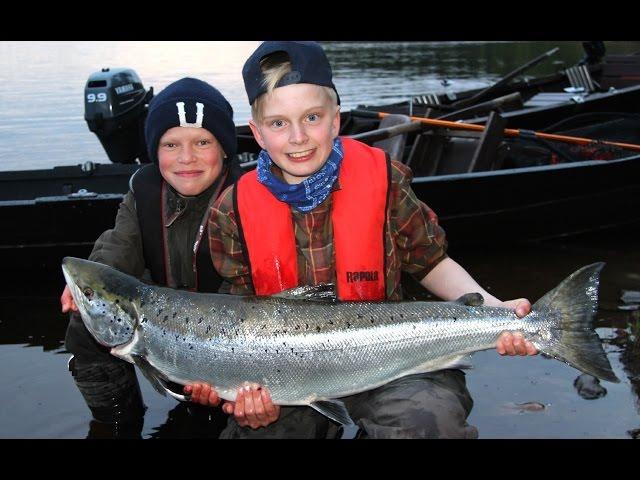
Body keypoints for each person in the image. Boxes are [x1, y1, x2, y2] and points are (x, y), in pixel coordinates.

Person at [196, 41, 539, 439]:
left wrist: (497, 312)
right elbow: (238, 314)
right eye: (278, 124)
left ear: (336, 119)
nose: (298, 137)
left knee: (431, 422)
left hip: (394, 361)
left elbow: (432, 262)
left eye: (312, 117)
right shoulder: (231, 210)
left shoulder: (386, 178)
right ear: (256, 133)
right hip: (286, 375)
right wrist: (242, 397)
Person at [61, 77, 242, 434]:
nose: (186, 158)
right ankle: (117, 421)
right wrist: (94, 280)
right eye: (170, 144)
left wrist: (206, 370)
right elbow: (119, 246)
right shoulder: (142, 193)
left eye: (202, 142)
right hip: (165, 328)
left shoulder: (251, 198)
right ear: (153, 151)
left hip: (235, 337)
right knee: (86, 323)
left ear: (224, 149)